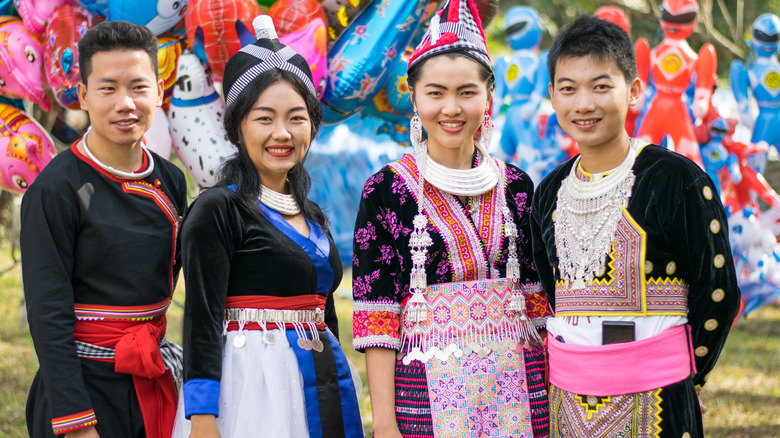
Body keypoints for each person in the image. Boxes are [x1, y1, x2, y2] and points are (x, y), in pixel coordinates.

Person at [530, 15, 740, 437]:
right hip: (566, 400)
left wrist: (688, 375)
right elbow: (549, 291)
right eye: (568, 89)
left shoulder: (676, 180)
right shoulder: (549, 191)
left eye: (601, 86)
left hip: (660, 395)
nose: (583, 103)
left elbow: (716, 290)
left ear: (635, 90)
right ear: (552, 96)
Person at [351, 1, 551, 437]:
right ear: (415, 97)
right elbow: (377, 314)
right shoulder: (386, 191)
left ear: (488, 97)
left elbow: (539, 304)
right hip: (425, 393)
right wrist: (384, 423)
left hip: (521, 386)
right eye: (435, 92)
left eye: (466, 92)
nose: (451, 108)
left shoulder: (516, 187)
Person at [172, 16, 363, 438]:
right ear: (237, 126)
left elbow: (323, 312)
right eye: (264, 118)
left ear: (312, 124)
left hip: (319, 383)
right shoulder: (217, 208)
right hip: (251, 390)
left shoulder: (311, 213)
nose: (283, 133)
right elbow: (201, 318)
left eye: (297, 118)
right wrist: (202, 418)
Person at [20, 20, 187, 438]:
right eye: (108, 88)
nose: (125, 103)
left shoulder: (171, 179)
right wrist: (76, 422)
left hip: (152, 377)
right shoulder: (56, 189)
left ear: (159, 92)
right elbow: (47, 313)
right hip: (83, 388)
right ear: (84, 97)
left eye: (138, 87)